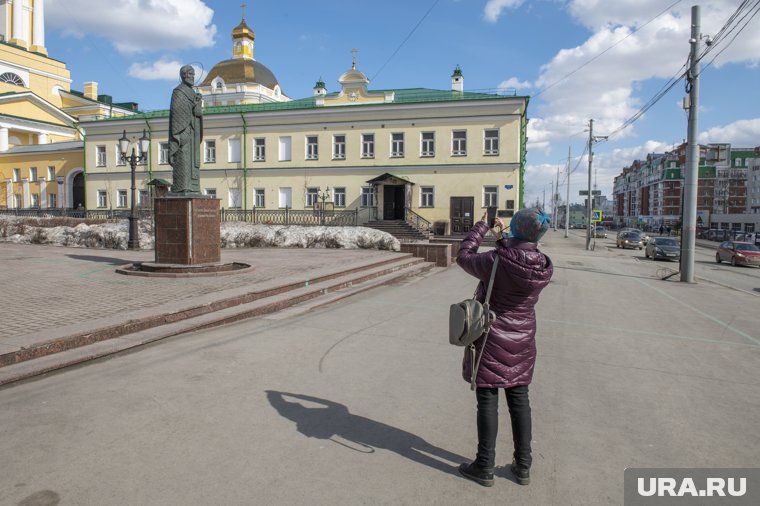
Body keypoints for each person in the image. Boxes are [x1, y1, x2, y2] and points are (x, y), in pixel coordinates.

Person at [456, 207, 554, 487]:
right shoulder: (543, 264)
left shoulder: (496, 259)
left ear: (517, 229)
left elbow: (464, 256)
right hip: (523, 338)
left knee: (487, 400)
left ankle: (484, 466)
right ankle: (523, 465)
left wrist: (481, 226)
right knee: (519, 399)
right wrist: (506, 238)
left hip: (491, 335)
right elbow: (516, 262)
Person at [168, 64, 203, 195]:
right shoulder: (179, 91)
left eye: (193, 75)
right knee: (183, 158)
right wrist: (192, 106)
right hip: (182, 131)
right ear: (183, 75)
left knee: (192, 161)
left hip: (192, 130)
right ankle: (182, 186)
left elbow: (197, 113)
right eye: (189, 74)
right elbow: (177, 111)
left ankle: (193, 186)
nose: (192, 77)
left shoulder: (192, 92)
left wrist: (197, 103)